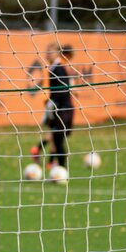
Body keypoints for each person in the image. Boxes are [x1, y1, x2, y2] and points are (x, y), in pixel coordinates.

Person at [45, 44, 78, 173]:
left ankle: (62, 169)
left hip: (64, 109)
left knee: (58, 139)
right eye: (47, 52)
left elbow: (64, 89)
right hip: (59, 109)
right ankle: (58, 167)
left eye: (50, 52)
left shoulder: (59, 68)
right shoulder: (53, 68)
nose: (47, 55)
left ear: (57, 53)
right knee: (56, 139)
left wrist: (53, 102)